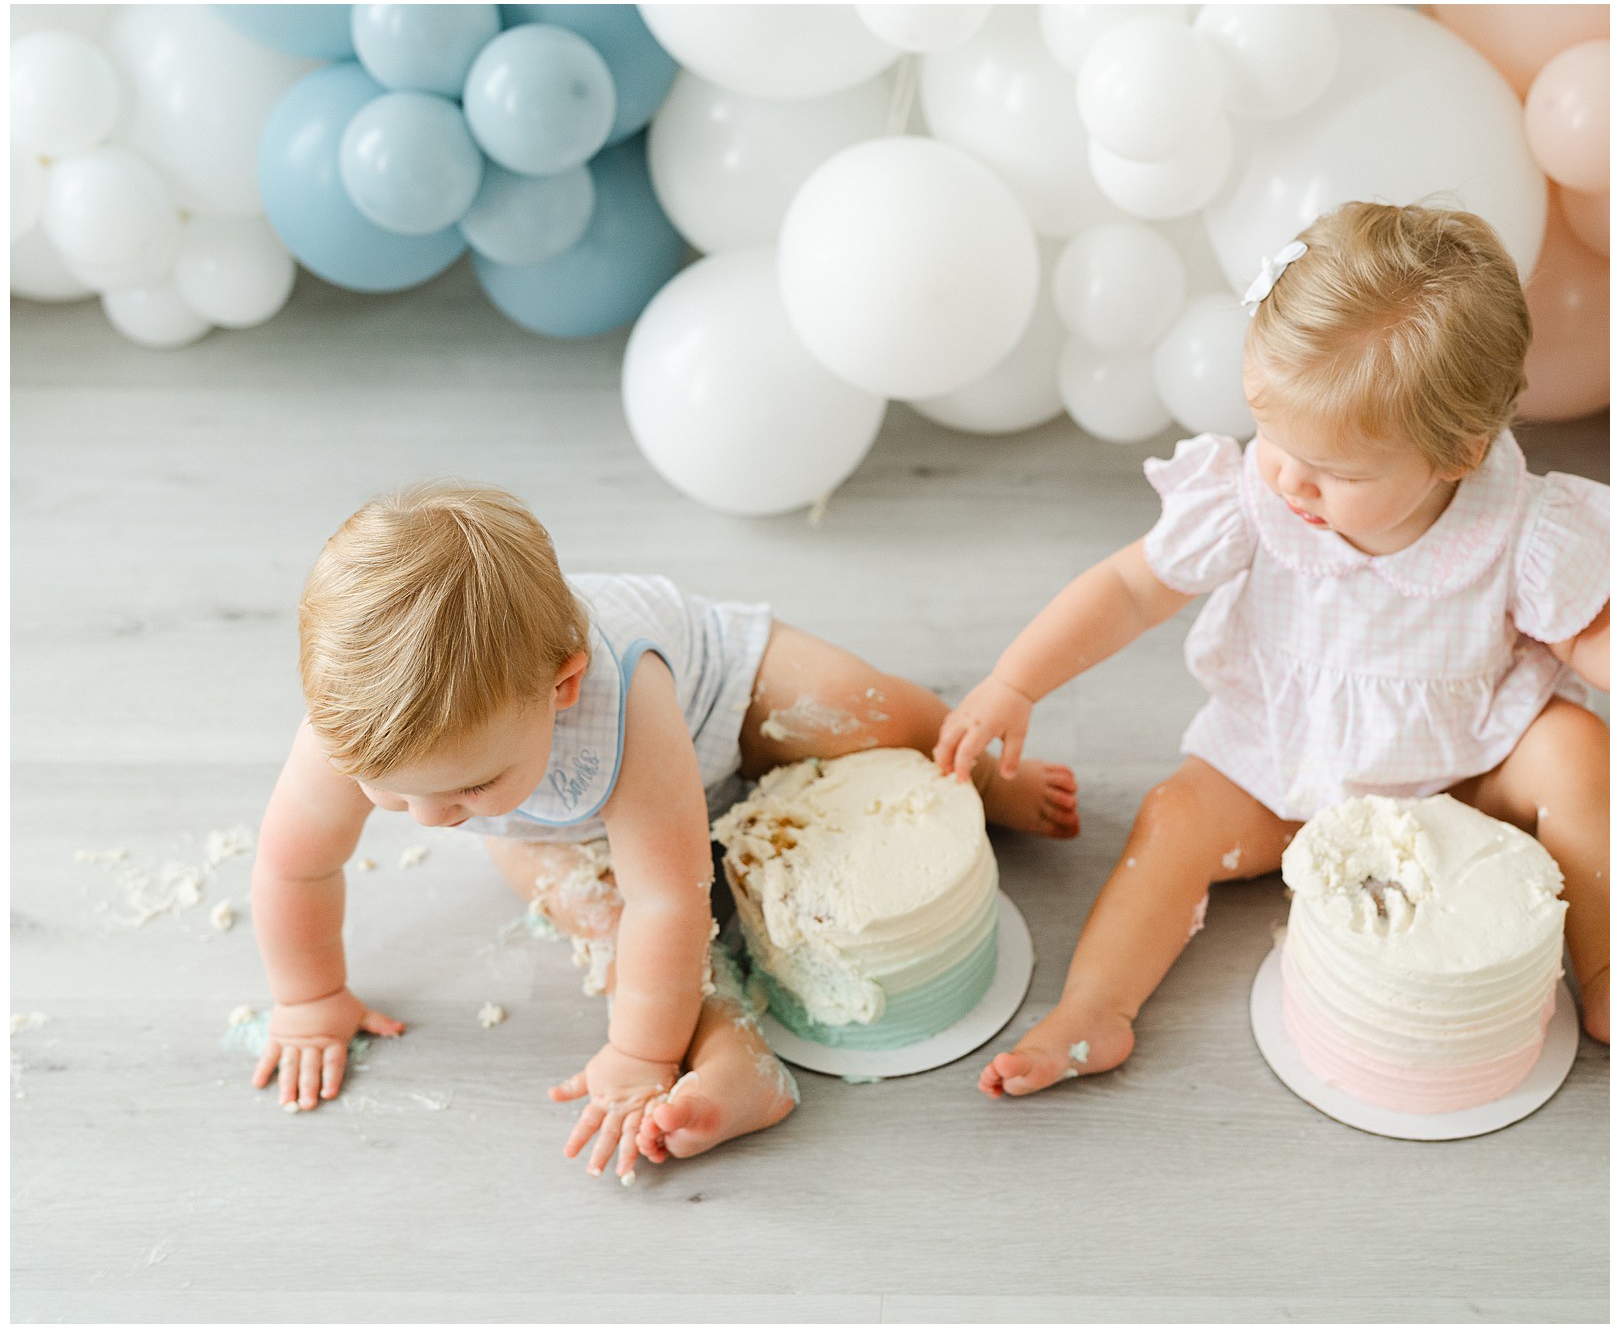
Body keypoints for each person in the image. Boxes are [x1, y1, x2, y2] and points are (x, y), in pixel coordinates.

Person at [937, 202, 1610, 1099]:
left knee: (1579, 750)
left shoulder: (1516, 525)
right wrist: (1015, 681)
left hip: (1467, 774)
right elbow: (1129, 587)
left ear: (1457, 454)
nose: (1290, 479)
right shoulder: (1256, 497)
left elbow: (1591, 625)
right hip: (1284, 765)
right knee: (1174, 820)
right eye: (1272, 437)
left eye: (1338, 472)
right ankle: (1094, 1010)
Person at [247, 482, 1079, 1174]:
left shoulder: (621, 697)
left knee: (870, 706)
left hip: (728, 692)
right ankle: (735, 1058)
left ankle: (978, 770)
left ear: (562, 687)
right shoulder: (345, 735)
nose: (432, 817)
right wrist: (310, 997)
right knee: (593, 914)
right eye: (391, 795)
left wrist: (639, 1055)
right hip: (558, 814)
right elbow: (295, 868)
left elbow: (669, 900)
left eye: (470, 785)